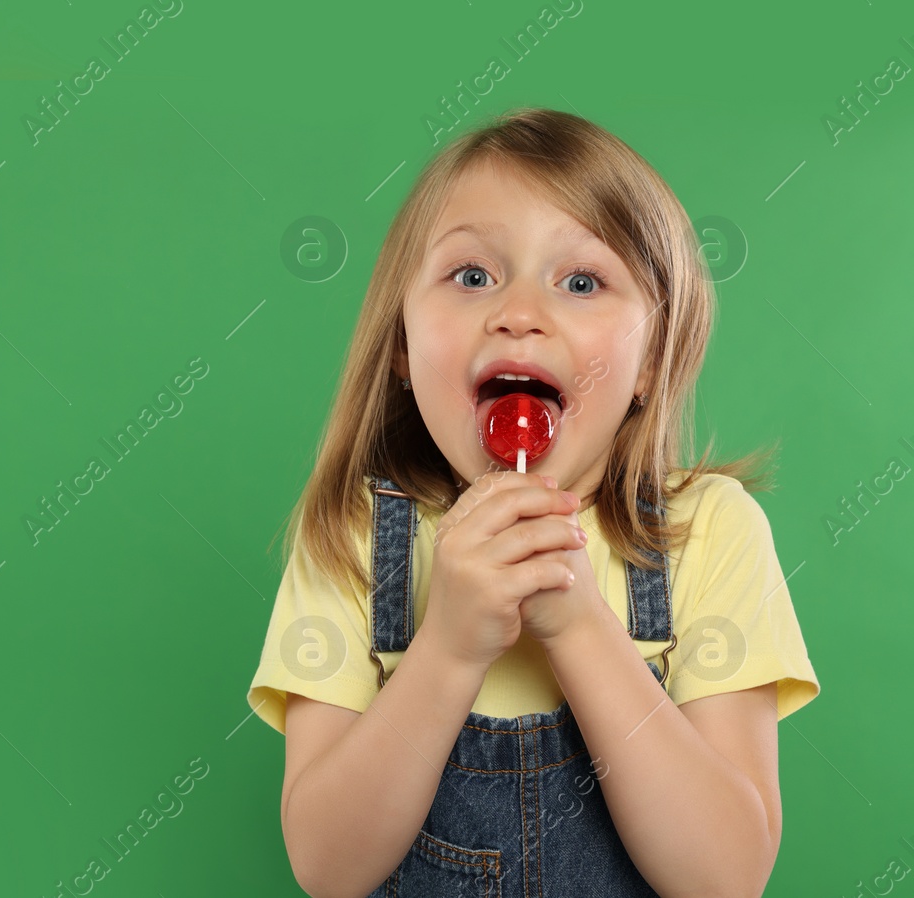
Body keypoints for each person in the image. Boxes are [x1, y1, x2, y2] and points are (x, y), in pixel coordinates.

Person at [245, 106, 820, 898]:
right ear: (404, 347)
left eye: (581, 281)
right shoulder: (353, 537)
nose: (517, 312)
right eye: (472, 275)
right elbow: (328, 867)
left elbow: (726, 877)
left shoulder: (707, 531)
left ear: (651, 358)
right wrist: (447, 646)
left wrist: (579, 624)